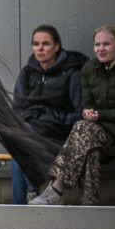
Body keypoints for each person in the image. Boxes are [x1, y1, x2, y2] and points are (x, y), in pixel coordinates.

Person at [30, 25, 115, 205]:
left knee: (83, 128)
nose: (101, 49)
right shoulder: (89, 68)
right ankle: (89, 203)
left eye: (107, 44)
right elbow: (87, 102)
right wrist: (88, 111)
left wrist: (100, 115)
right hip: (97, 136)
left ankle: (56, 188)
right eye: (97, 44)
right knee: (90, 148)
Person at [10, 24, 87, 204]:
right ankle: (30, 194)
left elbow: (79, 112)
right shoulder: (27, 73)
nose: (40, 48)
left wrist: (56, 120)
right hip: (31, 130)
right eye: (36, 44)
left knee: (19, 141)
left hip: (59, 132)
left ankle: (23, 201)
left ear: (56, 46)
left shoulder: (72, 73)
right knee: (18, 139)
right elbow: (17, 109)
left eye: (45, 44)